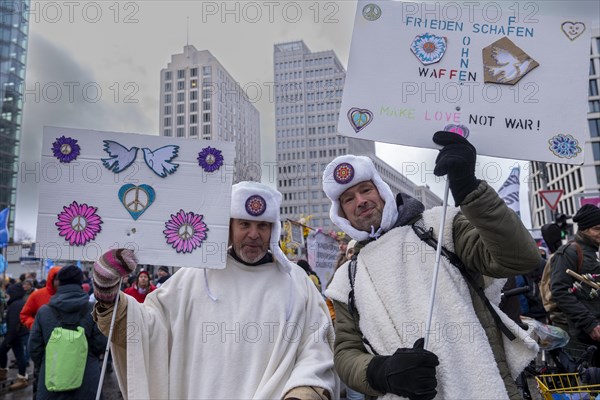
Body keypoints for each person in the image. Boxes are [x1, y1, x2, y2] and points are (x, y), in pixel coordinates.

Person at [323, 132, 541, 400]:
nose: (360, 201)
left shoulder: (442, 227)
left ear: (381, 191)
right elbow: (346, 353)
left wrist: (469, 190)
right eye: (348, 199)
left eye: (366, 190)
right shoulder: (347, 279)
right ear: (341, 213)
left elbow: (519, 257)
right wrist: (382, 372)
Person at [92, 181, 337, 399]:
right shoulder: (194, 277)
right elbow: (146, 330)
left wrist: (303, 393)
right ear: (229, 227)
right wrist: (107, 290)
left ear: (273, 230)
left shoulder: (296, 282)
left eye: (262, 226)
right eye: (244, 224)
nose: (254, 234)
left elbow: (316, 350)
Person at [28, 265, 107, 399]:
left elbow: (34, 347)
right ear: (81, 282)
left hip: (51, 380)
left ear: (58, 282)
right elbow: (101, 343)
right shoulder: (94, 310)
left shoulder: (44, 312)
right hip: (87, 379)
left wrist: (48, 361)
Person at [550, 204, 600, 365]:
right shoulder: (569, 252)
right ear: (584, 229)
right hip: (586, 335)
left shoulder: (595, 252)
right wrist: (589, 324)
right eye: (597, 229)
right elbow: (560, 291)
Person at [0, 283, 29, 390]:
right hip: (18, 333)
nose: (8, 296)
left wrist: (9, 339)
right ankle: (9, 374)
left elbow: (14, 323)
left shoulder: (15, 305)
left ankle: (20, 379)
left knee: (5, 352)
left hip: (14, 334)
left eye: (9, 294)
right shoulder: (19, 302)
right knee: (18, 355)